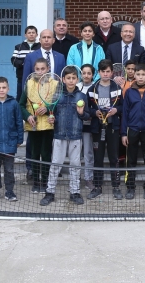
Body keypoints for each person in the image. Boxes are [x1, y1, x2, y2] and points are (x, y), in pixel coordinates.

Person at [40, 68, 90, 206]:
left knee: (75, 165)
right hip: (59, 135)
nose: (71, 81)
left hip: (75, 135)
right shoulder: (57, 96)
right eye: (68, 78)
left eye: (74, 78)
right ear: (63, 80)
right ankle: (50, 192)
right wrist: (51, 118)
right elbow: (52, 113)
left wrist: (81, 113)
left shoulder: (82, 96)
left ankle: (75, 192)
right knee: (55, 164)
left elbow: (87, 116)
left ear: (77, 79)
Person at [121, 63, 145, 200]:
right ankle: (130, 187)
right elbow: (125, 113)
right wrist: (124, 133)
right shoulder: (129, 92)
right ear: (134, 75)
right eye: (138, 74)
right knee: (131, 160)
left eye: (143, 74)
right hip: (132, 130)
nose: (141, 77)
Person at [87, 60, 124, 200]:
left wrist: (116, 110)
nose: (105, 74)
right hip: (98, 128)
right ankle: (97, 187)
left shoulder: (117, 88)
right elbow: (87, 109)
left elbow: (123, 106)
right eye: (103, 71)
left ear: (112, 72)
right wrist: (94, 113)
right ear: (98, 72)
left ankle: (116, 187)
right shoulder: (92, 89)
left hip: (112, 127)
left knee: (114, 157)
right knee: (98, 158)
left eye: (108, 71)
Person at [18, 59, 55, 194]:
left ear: (48, 69)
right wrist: (27, 116)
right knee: (34, 154)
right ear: (34, 69)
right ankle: (36, 182)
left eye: (42, 69)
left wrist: (48, 109)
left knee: (45, 154)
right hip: (33, 125)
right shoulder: (29, 84)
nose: (40, 72)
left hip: (48, 126)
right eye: (37, 69)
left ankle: (45, 181)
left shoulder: (55, 84)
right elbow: (21, 105)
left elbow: (58, 104)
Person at [78, 64, 96, 190]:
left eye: (89, 73)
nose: (86, 75)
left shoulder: (96, 87)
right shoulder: (76, 87)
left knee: (88, 153)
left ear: (93, 75)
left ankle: (88, 178)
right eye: (84, 73)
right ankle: (76, 178)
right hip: (76, 125)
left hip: (89, 125)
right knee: (76, 154)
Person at [10, 25, 40, 98]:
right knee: (21, 96)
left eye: (33, 32)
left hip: (37, 76)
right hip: (22, 76)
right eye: (29, 33)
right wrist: (23, 63)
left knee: (36, 95)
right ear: (25, 35)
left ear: (36, 34)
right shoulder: (19, 46)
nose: (31, 34)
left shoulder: (40, 46)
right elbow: (14, 60)